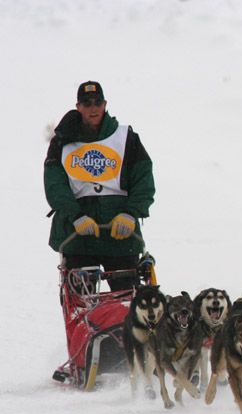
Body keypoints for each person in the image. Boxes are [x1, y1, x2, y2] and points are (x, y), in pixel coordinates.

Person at [44, 81, 155, 291]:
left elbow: (144, 179)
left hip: (120, 236)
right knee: (81, 307)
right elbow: (55, 185)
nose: (93, 108)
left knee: (126, 305)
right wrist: (76, 216)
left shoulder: (126, 138)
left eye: (97, 102)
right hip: (78, 237)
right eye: (87, 103)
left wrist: (131, 214)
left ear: (105, 104)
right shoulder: (62, 142)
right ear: (78, 107)